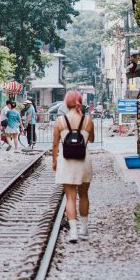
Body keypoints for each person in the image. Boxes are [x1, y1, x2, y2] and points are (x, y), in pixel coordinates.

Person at [52, 89, 94, 242]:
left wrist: (54, 161)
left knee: (70, 197)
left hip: (66, 161)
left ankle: (74, 232)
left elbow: (55, 144)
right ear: (79, 103)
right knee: (84, 195)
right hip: (84, 160)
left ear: (66, 103)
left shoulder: (60, 121)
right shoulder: (88, 120)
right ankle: (84, 228)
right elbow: (92, 139)